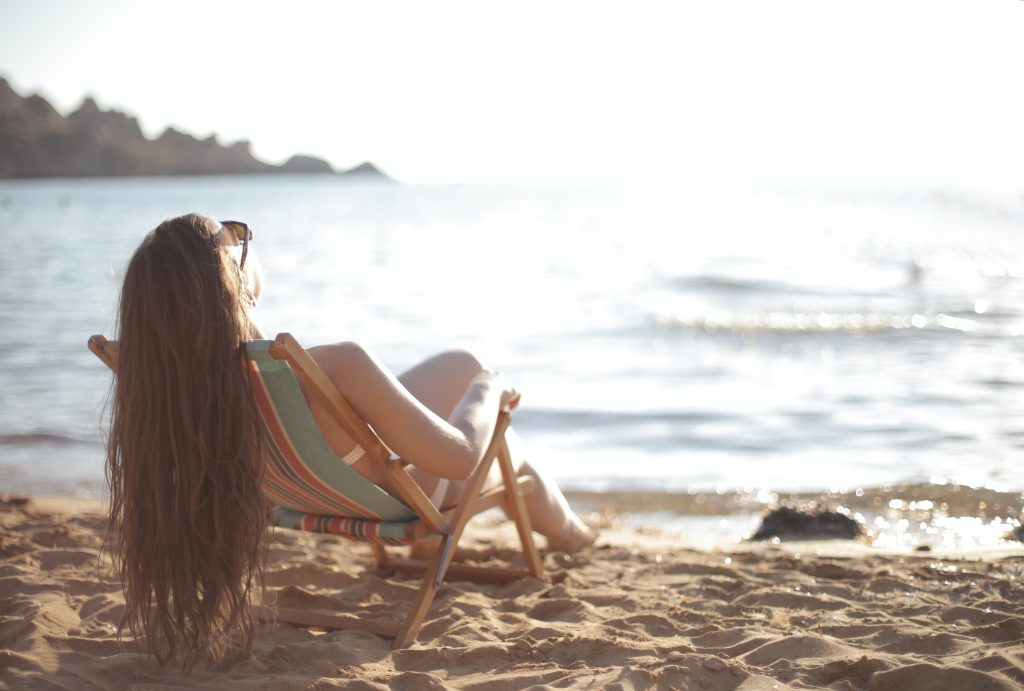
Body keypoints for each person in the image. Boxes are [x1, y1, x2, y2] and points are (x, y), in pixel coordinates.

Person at [105, 213, 595, 668]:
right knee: (505, 445)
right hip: (408, 499)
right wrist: (490, 388)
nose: (245, 243)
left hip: (322, 492)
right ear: (235, 283)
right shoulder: (335, 365)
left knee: (458, 368)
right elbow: (461, 458)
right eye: (237, 240)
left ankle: (543, 532)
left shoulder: (175, 385)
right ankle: (574, 535)